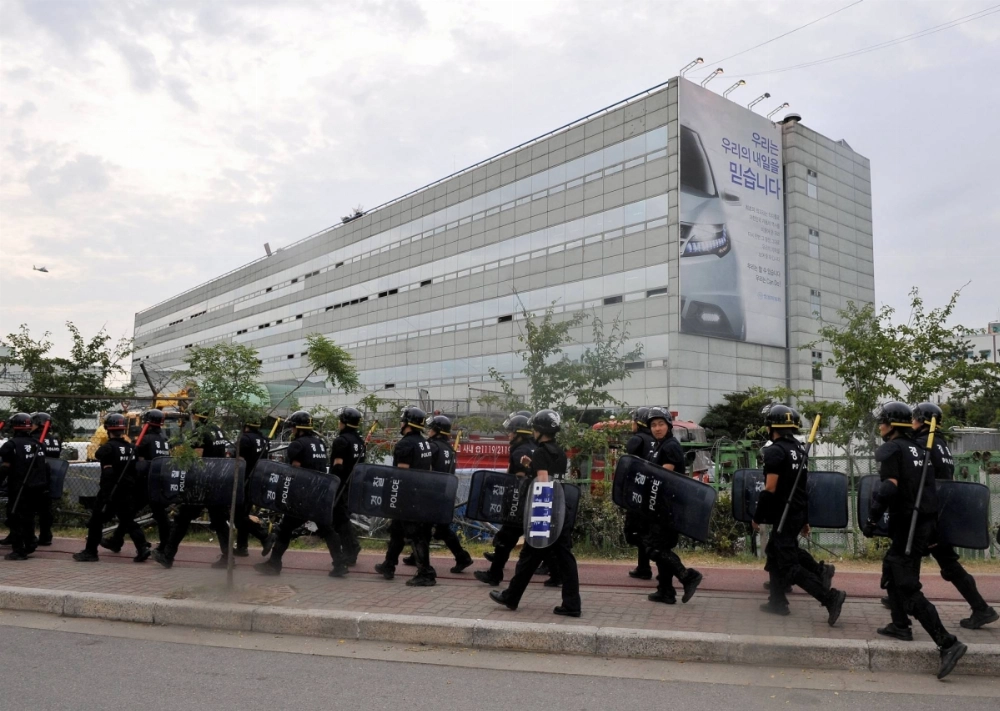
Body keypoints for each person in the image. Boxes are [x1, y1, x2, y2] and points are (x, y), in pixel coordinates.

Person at [863, 401, 967, 679]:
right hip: (923, 524)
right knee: (892, 569)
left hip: (906, 525)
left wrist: (872, 520)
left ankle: (948, 643)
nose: (879, 426)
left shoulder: (891, 450)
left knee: (907, 585)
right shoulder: (922, 449)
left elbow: (888, 488)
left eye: (881, 421)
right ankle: (900, 625)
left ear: (890, 425)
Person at [904, 403, 997, 630]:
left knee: (920, 557)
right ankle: (901, 597)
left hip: (929, 512)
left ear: (922, 421)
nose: (911, 424)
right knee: (938, 561)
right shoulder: (941, 445)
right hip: (940, 510)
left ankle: (981, 607)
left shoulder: (923, 444)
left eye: (914, 420)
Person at [754, 404, 846, 624]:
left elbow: (770, 488)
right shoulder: (799, 450)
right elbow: (801, 489)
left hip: (783, 514)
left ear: (771, 427)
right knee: (775, 553)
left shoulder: (774, 451)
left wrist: (757, 516)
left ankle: (829, 598)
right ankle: (777, 601)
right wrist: (804, 519)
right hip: (795, 512)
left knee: (788, 563)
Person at [489, 409, 582, 617]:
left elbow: (542, 482)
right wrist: (530, 466)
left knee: (528, 556)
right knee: (565, 558)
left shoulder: (540, 452)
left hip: (545, 511)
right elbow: (551, 475)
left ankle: (511, 597)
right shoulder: (559, 451)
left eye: (534, 428)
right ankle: (572, 603)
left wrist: (538, 518)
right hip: (561, 510)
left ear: (539, 430)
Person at [255, 411, 348, 577]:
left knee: (285, 529)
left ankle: (274, 564)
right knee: (327, 529)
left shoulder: (297, 445)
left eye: (292, 427)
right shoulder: (319, 443)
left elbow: (295, 471)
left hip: (302, 495)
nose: (291, 430)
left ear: (298, 427)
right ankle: (340, 564)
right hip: (319, 492)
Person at [152, 402, 232, 569]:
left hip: (200, 484)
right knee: (219, 520)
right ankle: (228, 557)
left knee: (182, 519)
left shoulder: (199, 433)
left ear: (196, 416)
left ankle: (167, 556)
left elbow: (197, 460)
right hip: (217, 481)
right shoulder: (218, 431)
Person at [641, 407, 703, 605]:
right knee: (661, 547)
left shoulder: (670, 447)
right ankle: (665, 591)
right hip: (659, 504)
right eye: (653, 425)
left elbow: (661, 475)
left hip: (668, 505)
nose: (657, 428)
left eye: (660, 424)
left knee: (654, 547)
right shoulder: (659, 445)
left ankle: (687, 576)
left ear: (668, 425)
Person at [73, 414, 149, 562]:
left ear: (107, 429)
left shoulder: (108, 448)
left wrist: (106, 493)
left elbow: (98, 455)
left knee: (96, 521)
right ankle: (142, 548)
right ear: (123, 429)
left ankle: (90, 552)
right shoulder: (132, 448)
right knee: (128, 520)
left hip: (110, 491)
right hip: (127, 491)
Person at [402, 415, 473, 573]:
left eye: (432, 428)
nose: (429, 431)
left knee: (426, 528)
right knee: (438, 528)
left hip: (431, 492)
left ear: (437, 431)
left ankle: (462, 557)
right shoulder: (449, 449)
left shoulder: (432, 447)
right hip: (445, 493)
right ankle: (418, 556)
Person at [375, 406, 437, 586]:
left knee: (415, 535)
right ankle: (389, 564)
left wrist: (394, 498)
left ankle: (426, 573)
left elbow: (402, 475)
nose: (400, 423)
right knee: (397, 531)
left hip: (407, 497)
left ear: (408, 424)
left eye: (402, 420)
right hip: (421, 493)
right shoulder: (424, 442)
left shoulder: (405, 444)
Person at [475, 413, 534, 586]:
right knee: (522, 540)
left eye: (511, 431)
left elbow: (519, 479)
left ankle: (495, 575)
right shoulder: (534, 447)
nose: (509, 435)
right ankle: (556, 574)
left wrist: (511, 503)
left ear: (519, 433)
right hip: (533, 501)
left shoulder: (519, 451)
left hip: (519, 502)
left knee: (505, 538)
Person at [103, 409, 172, 556]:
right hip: (160, 481)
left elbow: (133, 457)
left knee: (128, 514)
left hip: (144, 483)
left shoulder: (145, 439)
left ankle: (123, 542)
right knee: (159, 515)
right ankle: (117, 540)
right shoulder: (164, 441)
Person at [0, 413, 46, 560]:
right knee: (29, 516)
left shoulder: (11, 445)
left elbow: (5, 468)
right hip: (36, 487)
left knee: (15, 517)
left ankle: (19, 550)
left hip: (18, 487)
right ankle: (30, 542)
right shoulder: (38, 444)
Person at [328, 407, 366, 566]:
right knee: (341, 518)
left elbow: (338, 465)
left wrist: (334, 486)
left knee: (340, 519)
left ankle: (351, 548)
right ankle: (349, 548)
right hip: (355, 485)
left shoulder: (341, 441)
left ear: (344, 422)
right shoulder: (360, 441)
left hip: (341, 486)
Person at [623, 407, 656, 580]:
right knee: (644, 531)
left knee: (631, 532)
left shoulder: (636, 440)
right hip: (653, 493)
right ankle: (643, 567)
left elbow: (628, 465)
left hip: (637, 492)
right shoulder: (656, 440)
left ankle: (655, 556)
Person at [233, 415, 271, 556]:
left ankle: (264, 536)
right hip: (258, 481)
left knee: (238, 517)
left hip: (245, 481)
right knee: (243, 514)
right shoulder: (264, 440)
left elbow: (239, 463)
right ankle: (242, 547)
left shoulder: (244, 439)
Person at [30, 412, 61, 546]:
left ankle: (25, 536)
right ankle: (46, 536)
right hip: (50, 480)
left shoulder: (34, 440)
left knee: (27, 509)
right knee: (46, 510)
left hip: (34, 478)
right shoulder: (55, 440)